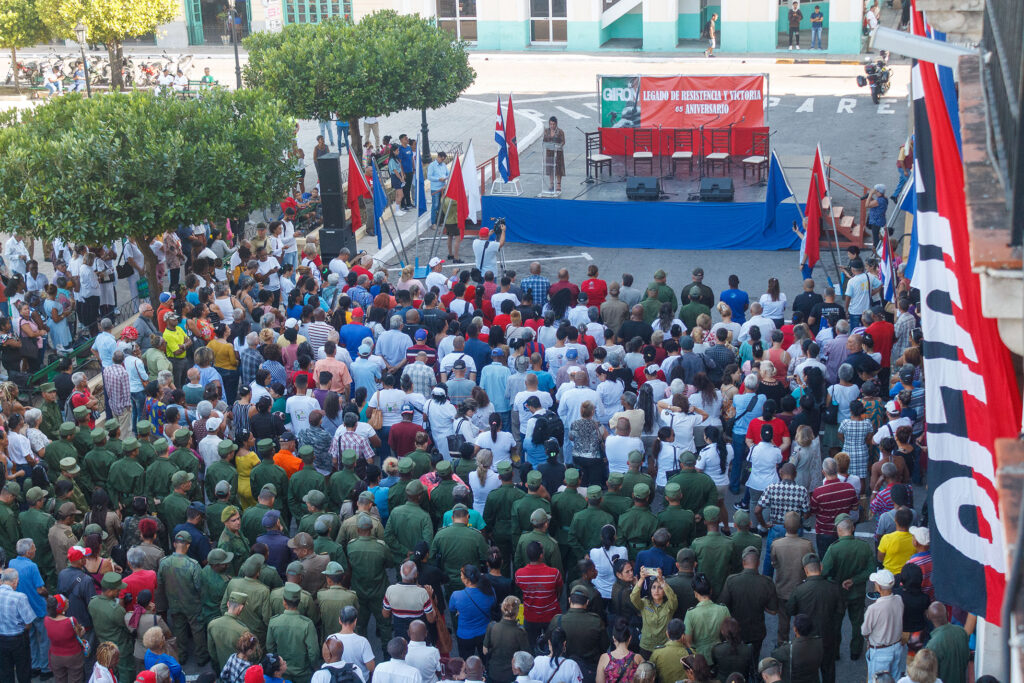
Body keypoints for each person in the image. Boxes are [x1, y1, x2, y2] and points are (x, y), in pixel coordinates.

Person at [862, 569, 905, 681]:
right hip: (897, 647)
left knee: (878, 680)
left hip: (880, 652)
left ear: (879, 588)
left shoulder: (873, 609)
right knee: (895, 679)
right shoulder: (899, 599)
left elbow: (865, 631)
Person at [924, 601, 969, 683]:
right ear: (948, 614)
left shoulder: (932, 645)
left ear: (929, 618)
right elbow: (966, 659)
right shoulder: (962, 632)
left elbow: (931, 675)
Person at [543, 117, 566, 194]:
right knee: (550, 168)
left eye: (553, 124)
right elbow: (544, 140)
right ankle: (551, 184)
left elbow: (563, 142)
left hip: (558, 153)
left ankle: (558, 184)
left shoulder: (560, 131)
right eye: (550, 124)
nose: (552, 126)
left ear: (556, 124)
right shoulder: (546, 131)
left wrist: (558, 146)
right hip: (549, 152)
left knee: (558, 168)